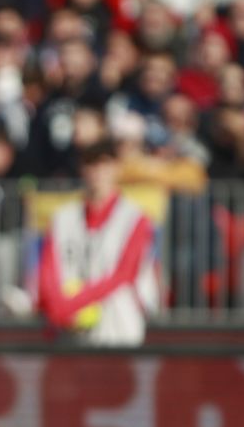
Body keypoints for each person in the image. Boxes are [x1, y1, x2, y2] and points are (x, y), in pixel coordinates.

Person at [38, 137, 157, 346]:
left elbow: (124, 274)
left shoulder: (134, 218)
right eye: (91, 165)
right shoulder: (62, 218)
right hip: (70, 330)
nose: (98, 173)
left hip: (118, 326)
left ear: (117, 168)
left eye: (104, 164)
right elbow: (48, 269)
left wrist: (74, 303)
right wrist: (58, 307)